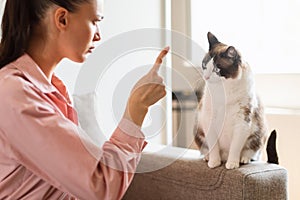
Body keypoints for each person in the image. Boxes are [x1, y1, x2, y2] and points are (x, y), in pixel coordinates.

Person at [0, 0, 169, 199]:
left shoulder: (47, 90)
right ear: (62, 19)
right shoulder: (16, 96)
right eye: (94, 21)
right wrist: (136, 109)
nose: (98, 34)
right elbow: (102, 186)